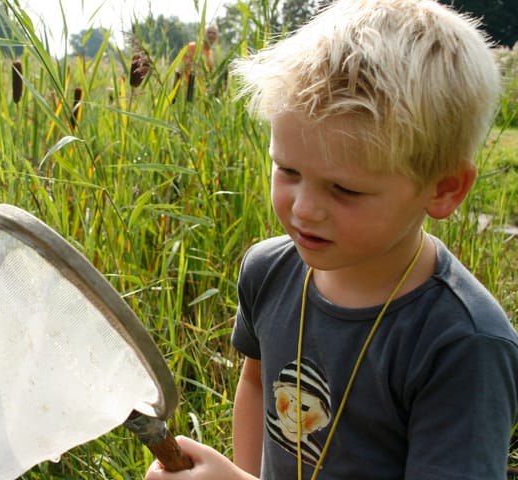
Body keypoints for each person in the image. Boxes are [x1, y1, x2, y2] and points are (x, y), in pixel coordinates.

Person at [146, 0, 518, 479]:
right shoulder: (267, 272)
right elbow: (257, 385)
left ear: (444, 189)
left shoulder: (463, 346)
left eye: (344, 188)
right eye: (289, 170)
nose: (303, 208)